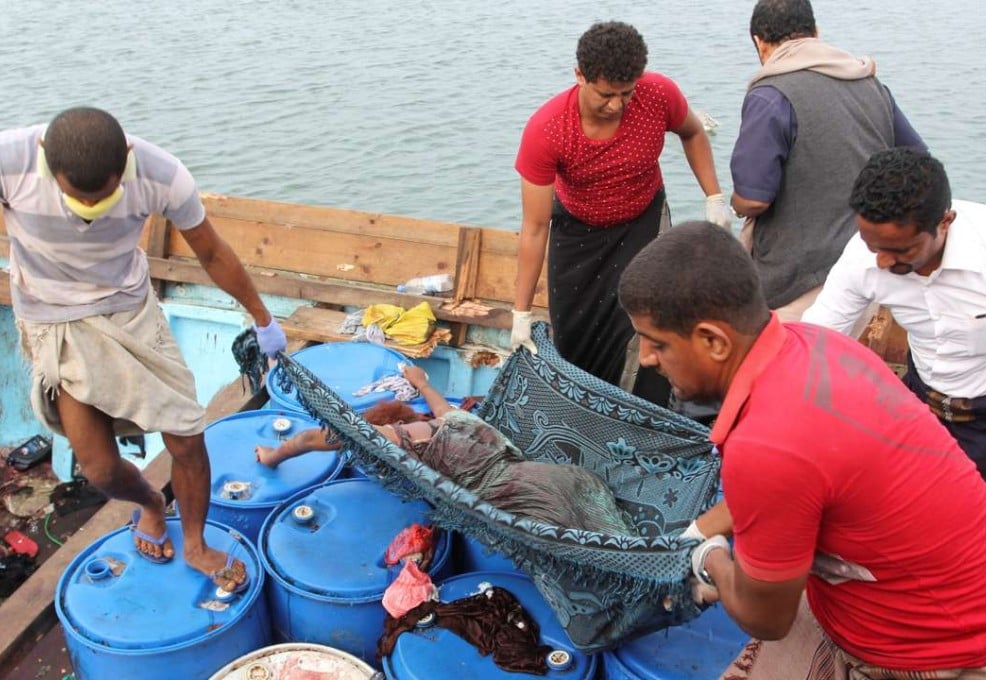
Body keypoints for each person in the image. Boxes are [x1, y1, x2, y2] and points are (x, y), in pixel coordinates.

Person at [618, 221, 986, 677]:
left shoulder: (765, 446)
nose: (647, 358)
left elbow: (766, 618)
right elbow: (800, 479)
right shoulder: (817, 345)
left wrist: (706, 558)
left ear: (713, 341)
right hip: (975, 578)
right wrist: (695, 531)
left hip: (953, 648)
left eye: (657, 343)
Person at [0, 107, 288, 592]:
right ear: (47, 160)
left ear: (128, 158)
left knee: (187, 439)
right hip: (56, 324)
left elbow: (212, 253)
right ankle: (152, 502)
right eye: (77, 198)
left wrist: (263, 317)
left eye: (104, 198)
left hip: (131, 316)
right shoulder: (10, 161)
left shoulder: (163, 175)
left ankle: (195, 543)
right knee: (98, 466)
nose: (87, 213)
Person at [511, 20, 730, 408]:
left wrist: (714, 197)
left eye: (626, 93)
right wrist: (521, 312)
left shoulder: (658, 95)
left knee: (653, 319)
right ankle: (587, 415)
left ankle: (647, 414)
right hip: (577, 235)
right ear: (580, 76)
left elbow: (693, 132)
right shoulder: (547, 130)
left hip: (643, 223)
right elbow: (534, 227)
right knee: (574, 337)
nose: (617, 105)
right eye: (606, 94)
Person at [802, 148, 986, 514]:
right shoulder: (863, 256)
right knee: (887, 511)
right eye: (875, 247)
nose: (883, 262)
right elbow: (815, 340)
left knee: (970, 527)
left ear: (945, 222)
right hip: (920, 404)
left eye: (900, 250)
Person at [256, 365, 635, 535]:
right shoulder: (453, 419)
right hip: (558, 476)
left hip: (523, 496)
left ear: (395, 426)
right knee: (611, 533)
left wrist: (272, 456)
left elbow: (310, 439)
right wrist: (420, 381)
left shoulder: (406, 440)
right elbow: (437, 402)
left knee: (591, 546)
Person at [731, 0, 926, 321]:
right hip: (870, 262)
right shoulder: (869, 82)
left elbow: (753, 199)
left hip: (798, 281)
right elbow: (918, 164)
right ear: (816, 33)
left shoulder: (769, 96)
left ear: (759, 42)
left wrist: (733, 204)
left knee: (788, 365)